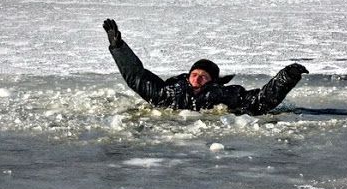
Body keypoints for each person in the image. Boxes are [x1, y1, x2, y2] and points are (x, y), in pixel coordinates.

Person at [103, 19, 308, 116]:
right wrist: (118, 47)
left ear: (212, 81)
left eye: (203, 76)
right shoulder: (168, 93)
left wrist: (287, 76)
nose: (197, 78)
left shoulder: (225, 95)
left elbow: (261, 102)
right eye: (194, 74)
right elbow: (136, 77)